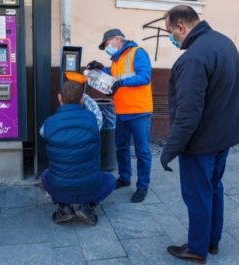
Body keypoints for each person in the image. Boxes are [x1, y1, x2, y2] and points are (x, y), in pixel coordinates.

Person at [161, 5, 239, 264]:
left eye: (170, 31)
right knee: (214, 188)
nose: (171, 37)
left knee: (198, 195)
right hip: (223, 137)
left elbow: (187, 114)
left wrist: (169, 150)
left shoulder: (193, 58)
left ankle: (197, 248)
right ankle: (211, 241)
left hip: (201, 142)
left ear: (181, 27)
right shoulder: (225, 43)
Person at [88, 28, 153, 203]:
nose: (106, 48)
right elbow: (113, 77)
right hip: (122, 111)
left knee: (143, 152)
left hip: (139, 111)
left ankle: (142, 186)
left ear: (117, 39)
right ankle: (124, 178)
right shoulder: (117, 60)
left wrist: (120, 83)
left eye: (107, 44)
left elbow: (145, 77)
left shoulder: (137, 53)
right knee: (121, 148)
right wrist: (101, 68)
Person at [40, 76, 115, 225]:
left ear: (59, 98)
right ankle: (87, 207)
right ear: (82, 100)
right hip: (89, 188)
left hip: (61, 188)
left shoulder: (47, 126)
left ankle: (63, 208)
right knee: (110, 180)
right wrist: (82, 94)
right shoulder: (94, 121)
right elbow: (95, 109)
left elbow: (44, 134)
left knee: (45, 175)